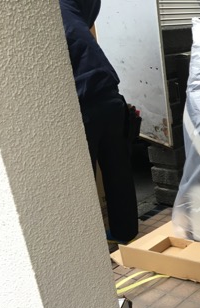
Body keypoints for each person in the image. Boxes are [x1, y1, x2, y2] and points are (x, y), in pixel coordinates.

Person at [59, 0, 138, 243]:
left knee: (81, 180)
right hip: (109, 95)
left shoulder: (53, 12)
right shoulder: (70, 9)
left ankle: (88, 247)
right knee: (118, 169)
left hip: (84, 101)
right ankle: (125, 233)